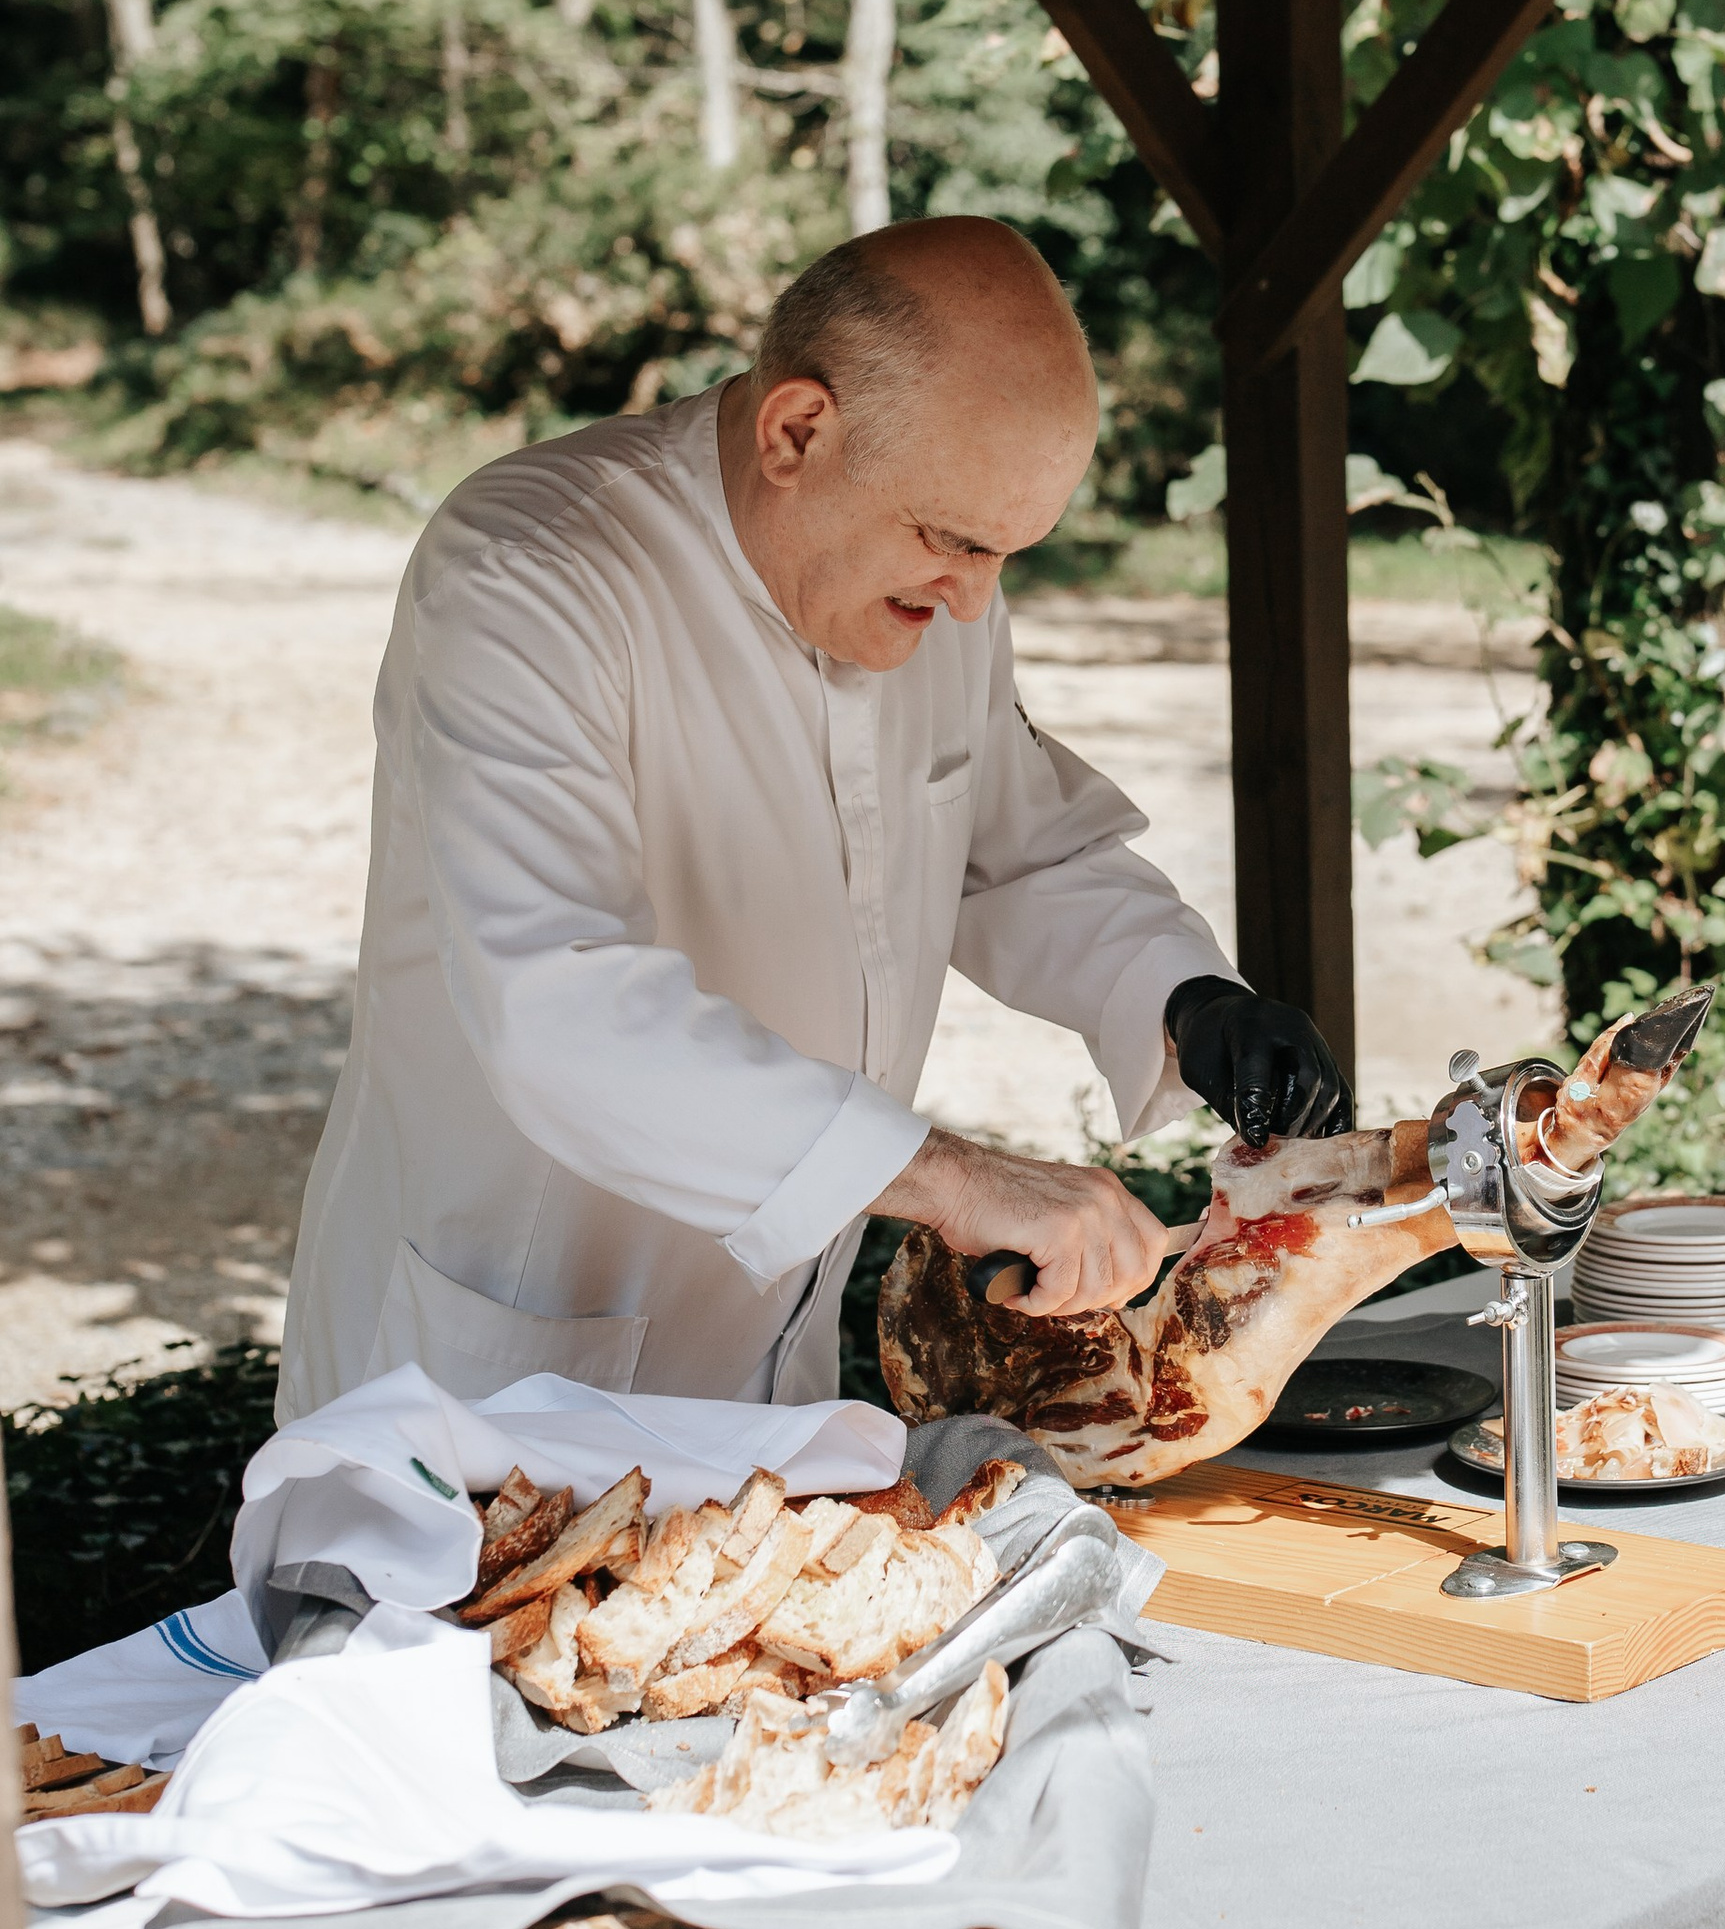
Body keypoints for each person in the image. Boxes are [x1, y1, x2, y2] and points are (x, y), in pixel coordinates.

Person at [278, 218, 1349, 1420]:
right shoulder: (526, 573)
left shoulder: (934, 589)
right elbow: (558, 1003)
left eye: (1009, 555)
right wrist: (950, 1179)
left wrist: (1185, 999)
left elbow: (1008, 851)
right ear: (797, 431)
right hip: (486, 1373)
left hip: (765, 1377)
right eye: (955, 542)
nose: (976, 601)